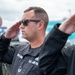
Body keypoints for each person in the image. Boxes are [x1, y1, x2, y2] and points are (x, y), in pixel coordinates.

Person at [0, 6, 49, 75]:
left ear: (40, 25)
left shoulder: (51, 55)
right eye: (21, 22)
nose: (21, 26)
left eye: (25, 22)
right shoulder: (20, 49)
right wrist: (5, 38)